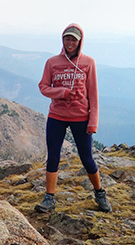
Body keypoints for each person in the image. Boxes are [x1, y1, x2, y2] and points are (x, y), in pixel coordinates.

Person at [36, 23, 111, 213]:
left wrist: (93, 121)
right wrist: (61, 92)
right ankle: (49, 198)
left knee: (87, 158)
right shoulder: (52, 62)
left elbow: (93, 94)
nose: (70, 42)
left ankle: (100, 193)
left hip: (81, 117)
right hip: (57, 116)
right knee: (53, 157)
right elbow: (43, 87)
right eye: (67, 38)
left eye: (73, 39)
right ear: (63, 40)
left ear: (80, 42)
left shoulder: (88, 62)